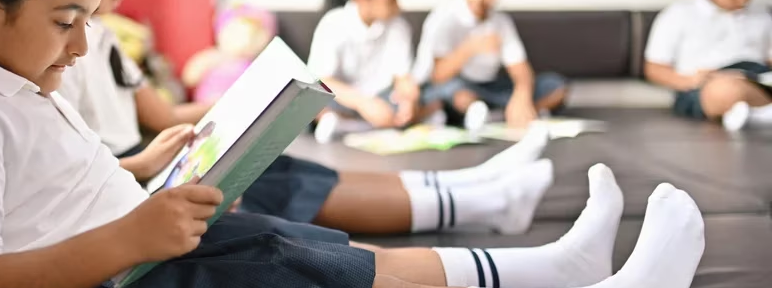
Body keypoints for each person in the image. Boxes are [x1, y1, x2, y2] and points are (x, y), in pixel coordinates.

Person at [0, 0, 706, 287]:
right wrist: (129, 234)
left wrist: (141, 168)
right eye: (65, 20)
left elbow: (34, 203)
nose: (81, 48)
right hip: (134, 270)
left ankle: (558, 267)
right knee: (323, 269)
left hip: (143, 244)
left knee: (341, 257)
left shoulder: (10, 86)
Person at [62, 3, 556, 236]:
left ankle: (474, 186)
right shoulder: (66, 39)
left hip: (141, 156)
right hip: (123, 168)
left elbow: (162, 114)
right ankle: (482, 200)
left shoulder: (104, 39)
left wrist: (248, 101)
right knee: (265, 184)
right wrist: (142, 165)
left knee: (283, 164)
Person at [411, 0, 568, 129]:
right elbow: (438, 75)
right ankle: (483, 112)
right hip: (457, 86)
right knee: (454, 91)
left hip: (491, 88)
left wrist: (522, 94)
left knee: (555, 85)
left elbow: (520, 68)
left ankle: (509, 114)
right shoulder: (444, 18)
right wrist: (469, 49)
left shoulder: (500, 22)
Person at [307, 0, 447, 143]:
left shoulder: (398, 26)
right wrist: (363, 103)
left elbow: (402, 77)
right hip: (346, 98)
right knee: (314, 101)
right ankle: (344, 123)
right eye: (391, 1)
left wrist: (408, 99)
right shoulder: (332, 23)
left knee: (429, 97)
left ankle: (352, 126)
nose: (398, 7)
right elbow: (323, 79)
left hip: (383, 99)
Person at [644, 0, 772, 131]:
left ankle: (758, 115)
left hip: (758, 77)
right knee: (724, 90)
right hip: (705, 83)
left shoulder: (762, 12)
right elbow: (654, 69)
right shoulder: (679, 13)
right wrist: (690, 81)